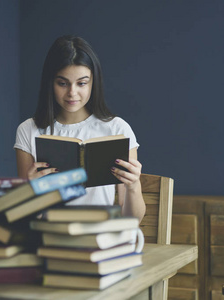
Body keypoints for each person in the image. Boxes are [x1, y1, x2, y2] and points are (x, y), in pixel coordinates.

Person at [13, 35, 145, 221]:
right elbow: (27, 218)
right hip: (49, 239)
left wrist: (133, 186)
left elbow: (133, 219)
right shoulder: (29, 130)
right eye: (62, 83)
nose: (72, 93)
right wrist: (31, 190)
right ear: (50, 82)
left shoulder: (117, 129)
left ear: (93, 82)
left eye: (82, 83)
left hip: (99, 237)